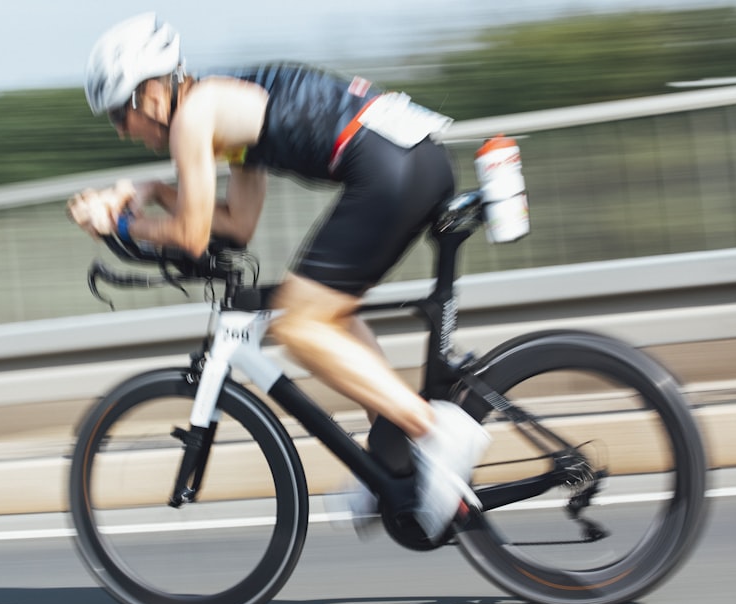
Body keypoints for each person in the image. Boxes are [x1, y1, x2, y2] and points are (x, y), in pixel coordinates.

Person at [67, 12, 489, 541]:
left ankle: (432, 430)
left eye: (116, 117)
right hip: (408, 158)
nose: (123, 133)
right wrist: (152, 191)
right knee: (318, 308)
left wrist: (121, 219)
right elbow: (235, 225)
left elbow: (193, 237)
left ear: (145, 97)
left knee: (299, 327)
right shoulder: (221, 107)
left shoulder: (193, 118)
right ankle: (390, 452)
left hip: (388, 168)